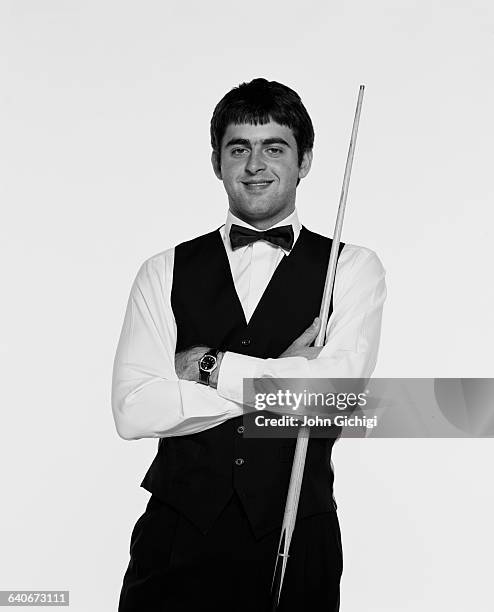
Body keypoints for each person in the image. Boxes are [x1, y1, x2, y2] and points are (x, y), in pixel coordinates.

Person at [112, 77, 386, 611]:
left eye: (274, 148)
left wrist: (212, 366)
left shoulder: (351, 269)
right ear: (217, 162)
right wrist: (280, 378)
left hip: (296, 538)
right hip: (175, 539)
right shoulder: (162, 270)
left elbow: (337, 396)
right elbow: (133, 410)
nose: (255, 164)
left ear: (304, 160)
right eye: (239, 148)